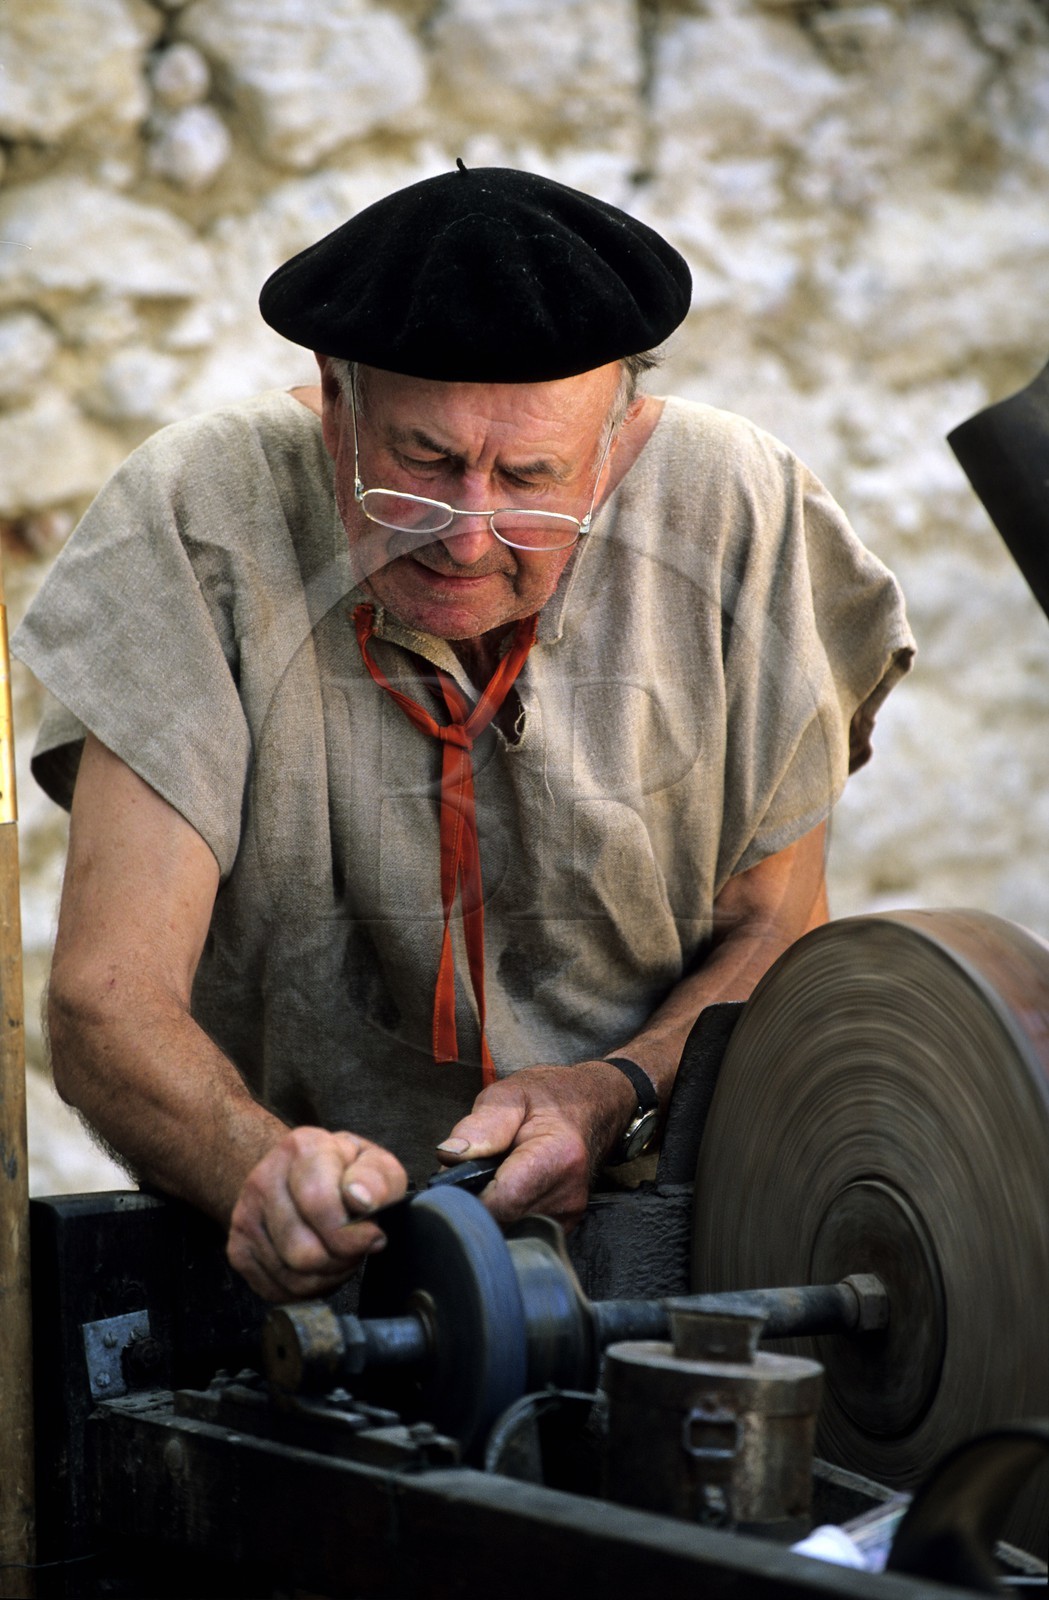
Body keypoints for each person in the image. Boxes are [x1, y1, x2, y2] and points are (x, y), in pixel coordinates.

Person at [14, 164, 914, 1304]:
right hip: (299, 1262)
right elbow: (108, 997)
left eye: (531, 477)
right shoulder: (199, 516)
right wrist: (267, 1172)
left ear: (619, 443)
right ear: (337, 408)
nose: (466, 535)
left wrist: (609, 1090)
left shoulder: (737, 512)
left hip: (662, 1231)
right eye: (422, 464)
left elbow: (774, 925)